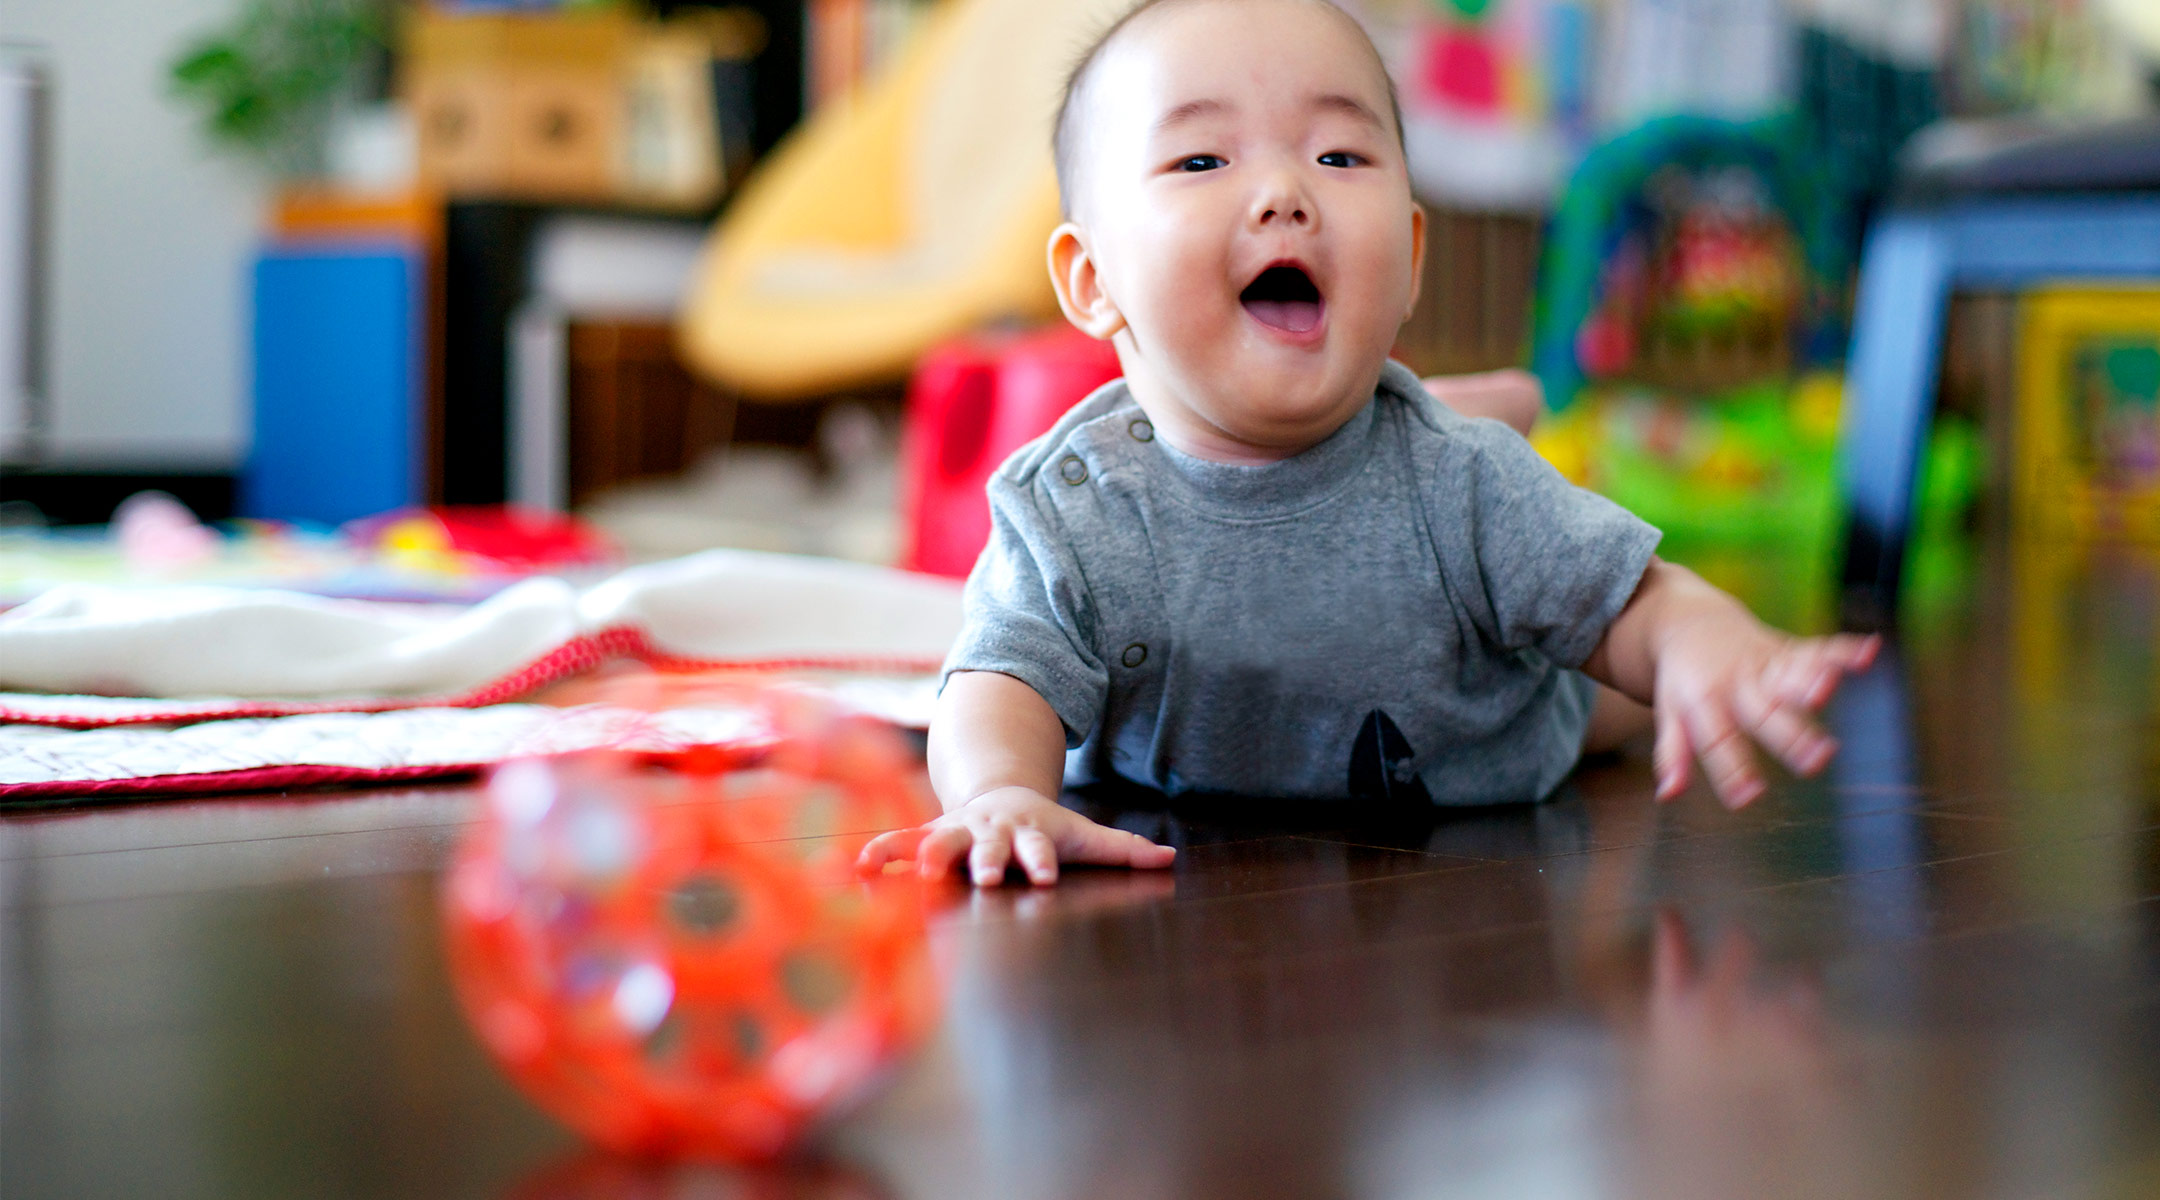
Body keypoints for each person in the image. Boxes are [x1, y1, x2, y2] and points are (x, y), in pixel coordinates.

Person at [859, 0, 1877, 887]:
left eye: (1338, 156)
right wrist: (997, 797)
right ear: (1091, 282)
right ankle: (1478, 399)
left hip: (1493, 743)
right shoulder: (1073, 505)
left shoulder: (1460, 484)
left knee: (1596, 684)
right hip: (1204, 850)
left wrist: (1704, 646)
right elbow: (996, 678)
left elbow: (1630, 602)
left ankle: (1477, 422)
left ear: (1412, 257)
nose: (1284, 193)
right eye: (1202, 158)